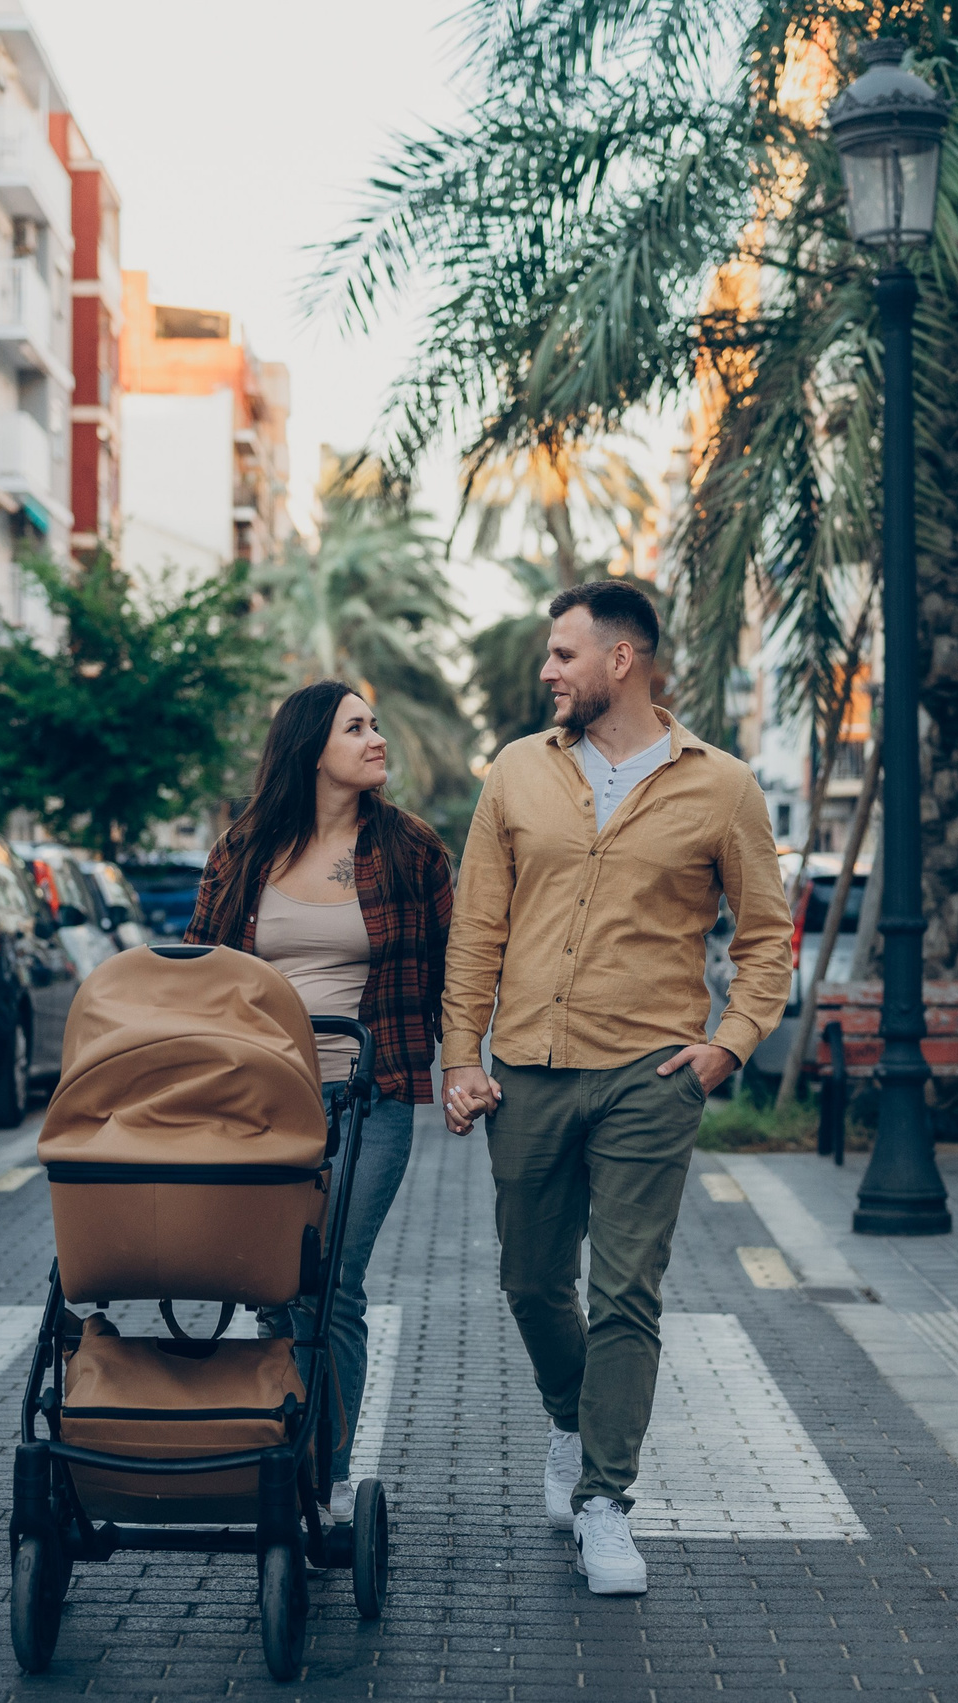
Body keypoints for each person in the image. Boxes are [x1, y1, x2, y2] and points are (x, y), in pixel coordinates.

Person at [441, 579, 791, 1596]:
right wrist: (461, 1055)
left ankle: (605, 1499)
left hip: (651, 1075)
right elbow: (478, 925)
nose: (547, 670)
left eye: (563, 653)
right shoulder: (517, 771)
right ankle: (571, 1414)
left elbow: (766, 935)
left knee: (628, 1289)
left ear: (620, 659)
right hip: (530, 1070)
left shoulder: (722, 785)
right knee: (529, 1278)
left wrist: (729, 1045)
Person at [185, 679, 455, 1522]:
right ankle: (281, 1446)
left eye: (375, 724)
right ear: (311, 748)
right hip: (260, 1099)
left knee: (331, 1282)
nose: (377, 738)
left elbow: (457, 966)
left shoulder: (410, 849)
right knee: (276, 1287)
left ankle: (326, 1475)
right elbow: (200, 966)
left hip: (370, 1094)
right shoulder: (244, 850)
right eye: (356, 727)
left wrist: (466, 1061)